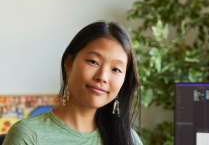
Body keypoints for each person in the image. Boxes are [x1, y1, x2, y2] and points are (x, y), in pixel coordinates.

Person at [3, 21, 143, 145]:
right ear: (69, 63)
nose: (102, 77)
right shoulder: (29, 135)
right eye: (93, 62)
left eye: (116, 69)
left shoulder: (129, 139)